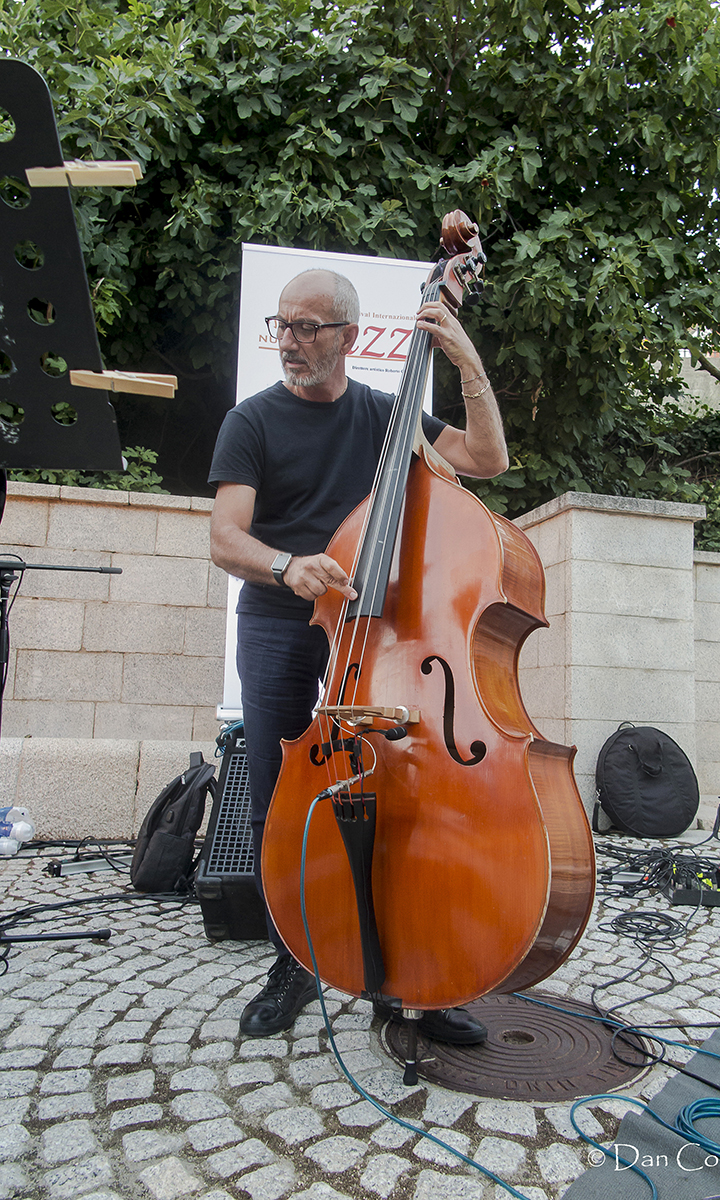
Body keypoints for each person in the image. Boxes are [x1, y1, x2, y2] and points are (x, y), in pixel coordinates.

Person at [208, 267, 509, 1043]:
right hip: (281, 617)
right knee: (283, 795)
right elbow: (226, 537)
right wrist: (287, 565)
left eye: (309, 327)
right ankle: (294, 960)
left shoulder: (387, 413)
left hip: (375, 627)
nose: (292, 342)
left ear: (348, 335)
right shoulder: (251, 421)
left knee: (403, 793)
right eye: (283, 326)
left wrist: (466, 361)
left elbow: (486, 458)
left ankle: (404, 971)